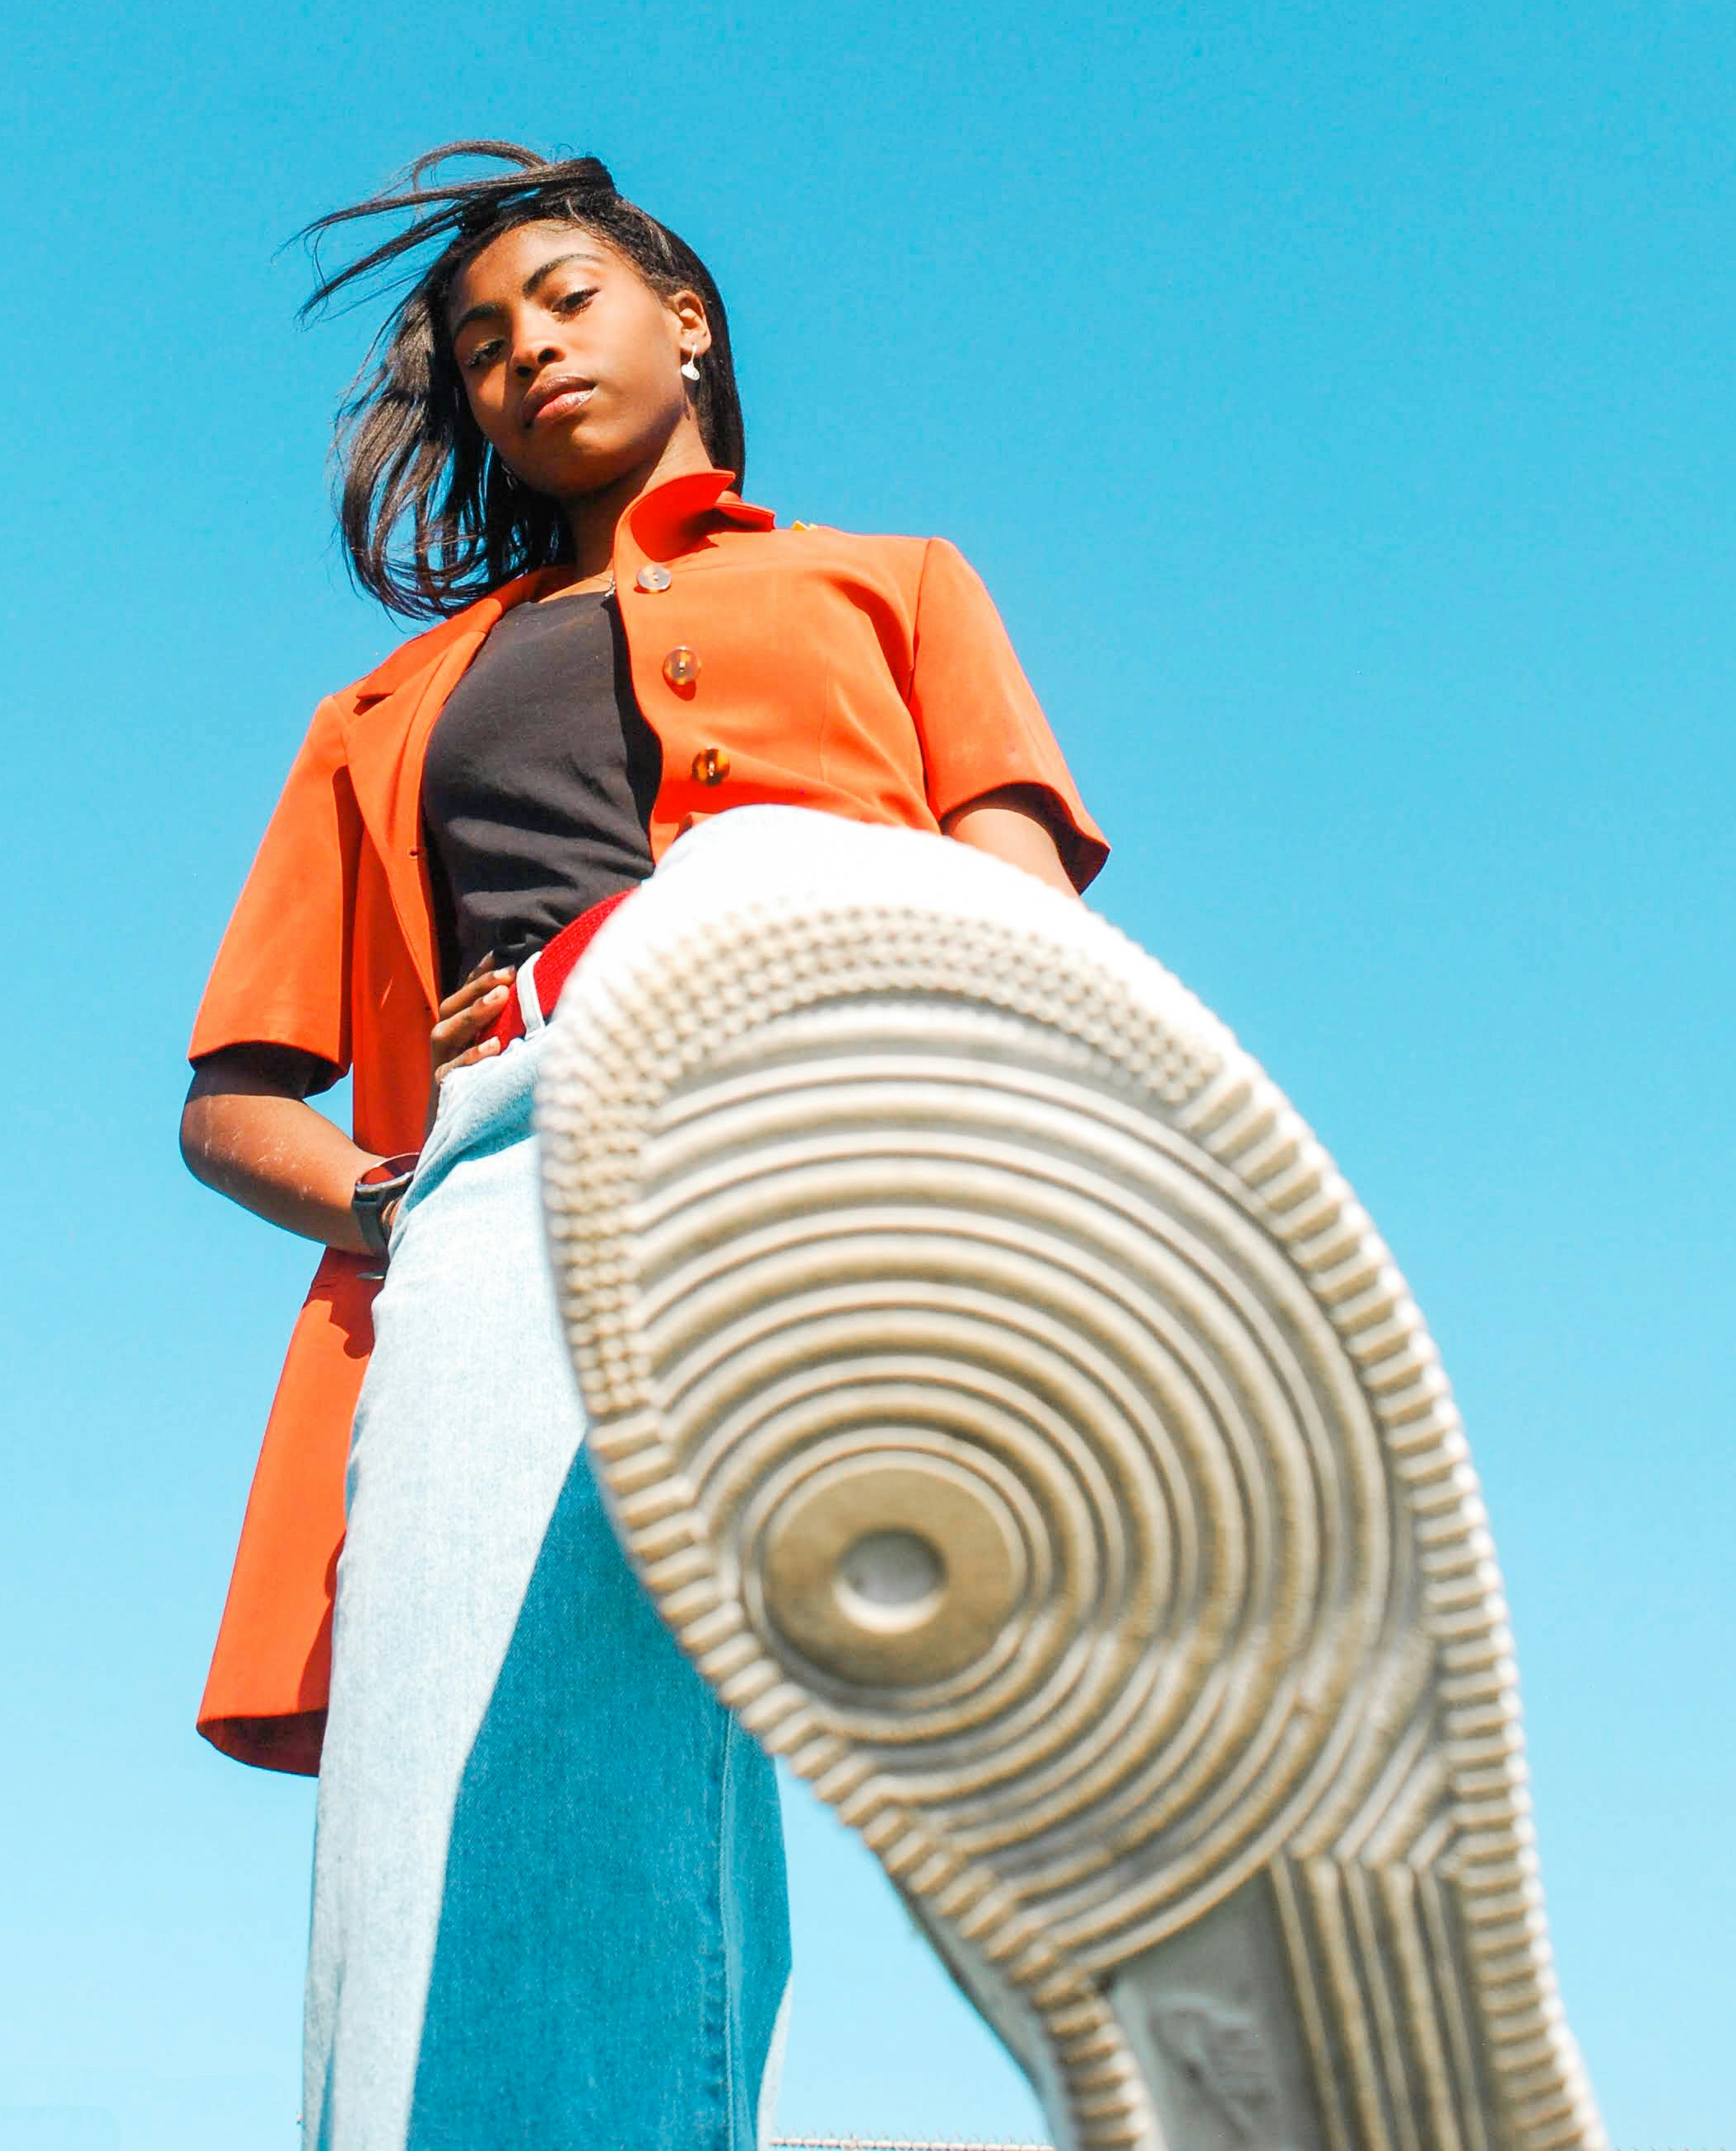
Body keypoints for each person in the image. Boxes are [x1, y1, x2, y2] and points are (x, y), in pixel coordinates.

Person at [180, 142, 1109, 2151]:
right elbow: (233, 1102)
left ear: (685, 316)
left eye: (567, 302)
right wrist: (396, 1193)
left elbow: (1017, 893)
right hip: (506, 1173)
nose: (526, 357)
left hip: (827, 1094)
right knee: (463, 1810)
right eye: (486, 346)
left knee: (648, 1736)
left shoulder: (897, 583)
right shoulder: (382, 709)